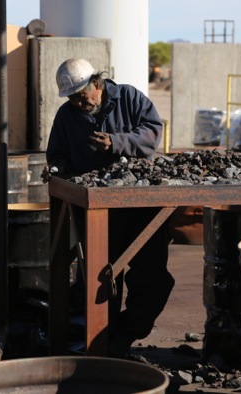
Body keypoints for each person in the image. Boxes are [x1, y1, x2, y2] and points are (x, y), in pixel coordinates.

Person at [45, 58, 175, 358]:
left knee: (153, 280)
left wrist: (117, 142)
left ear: (97, 83)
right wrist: (55, 168)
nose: (79, 103)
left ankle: (122, 337)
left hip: (140, 208)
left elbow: (153, 133)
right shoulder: (67, 116)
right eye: (73, 98)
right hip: (97, 214)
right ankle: (105, 348)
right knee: (102, 283)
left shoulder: (129, 98)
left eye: (82, 95)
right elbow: (58, 154)